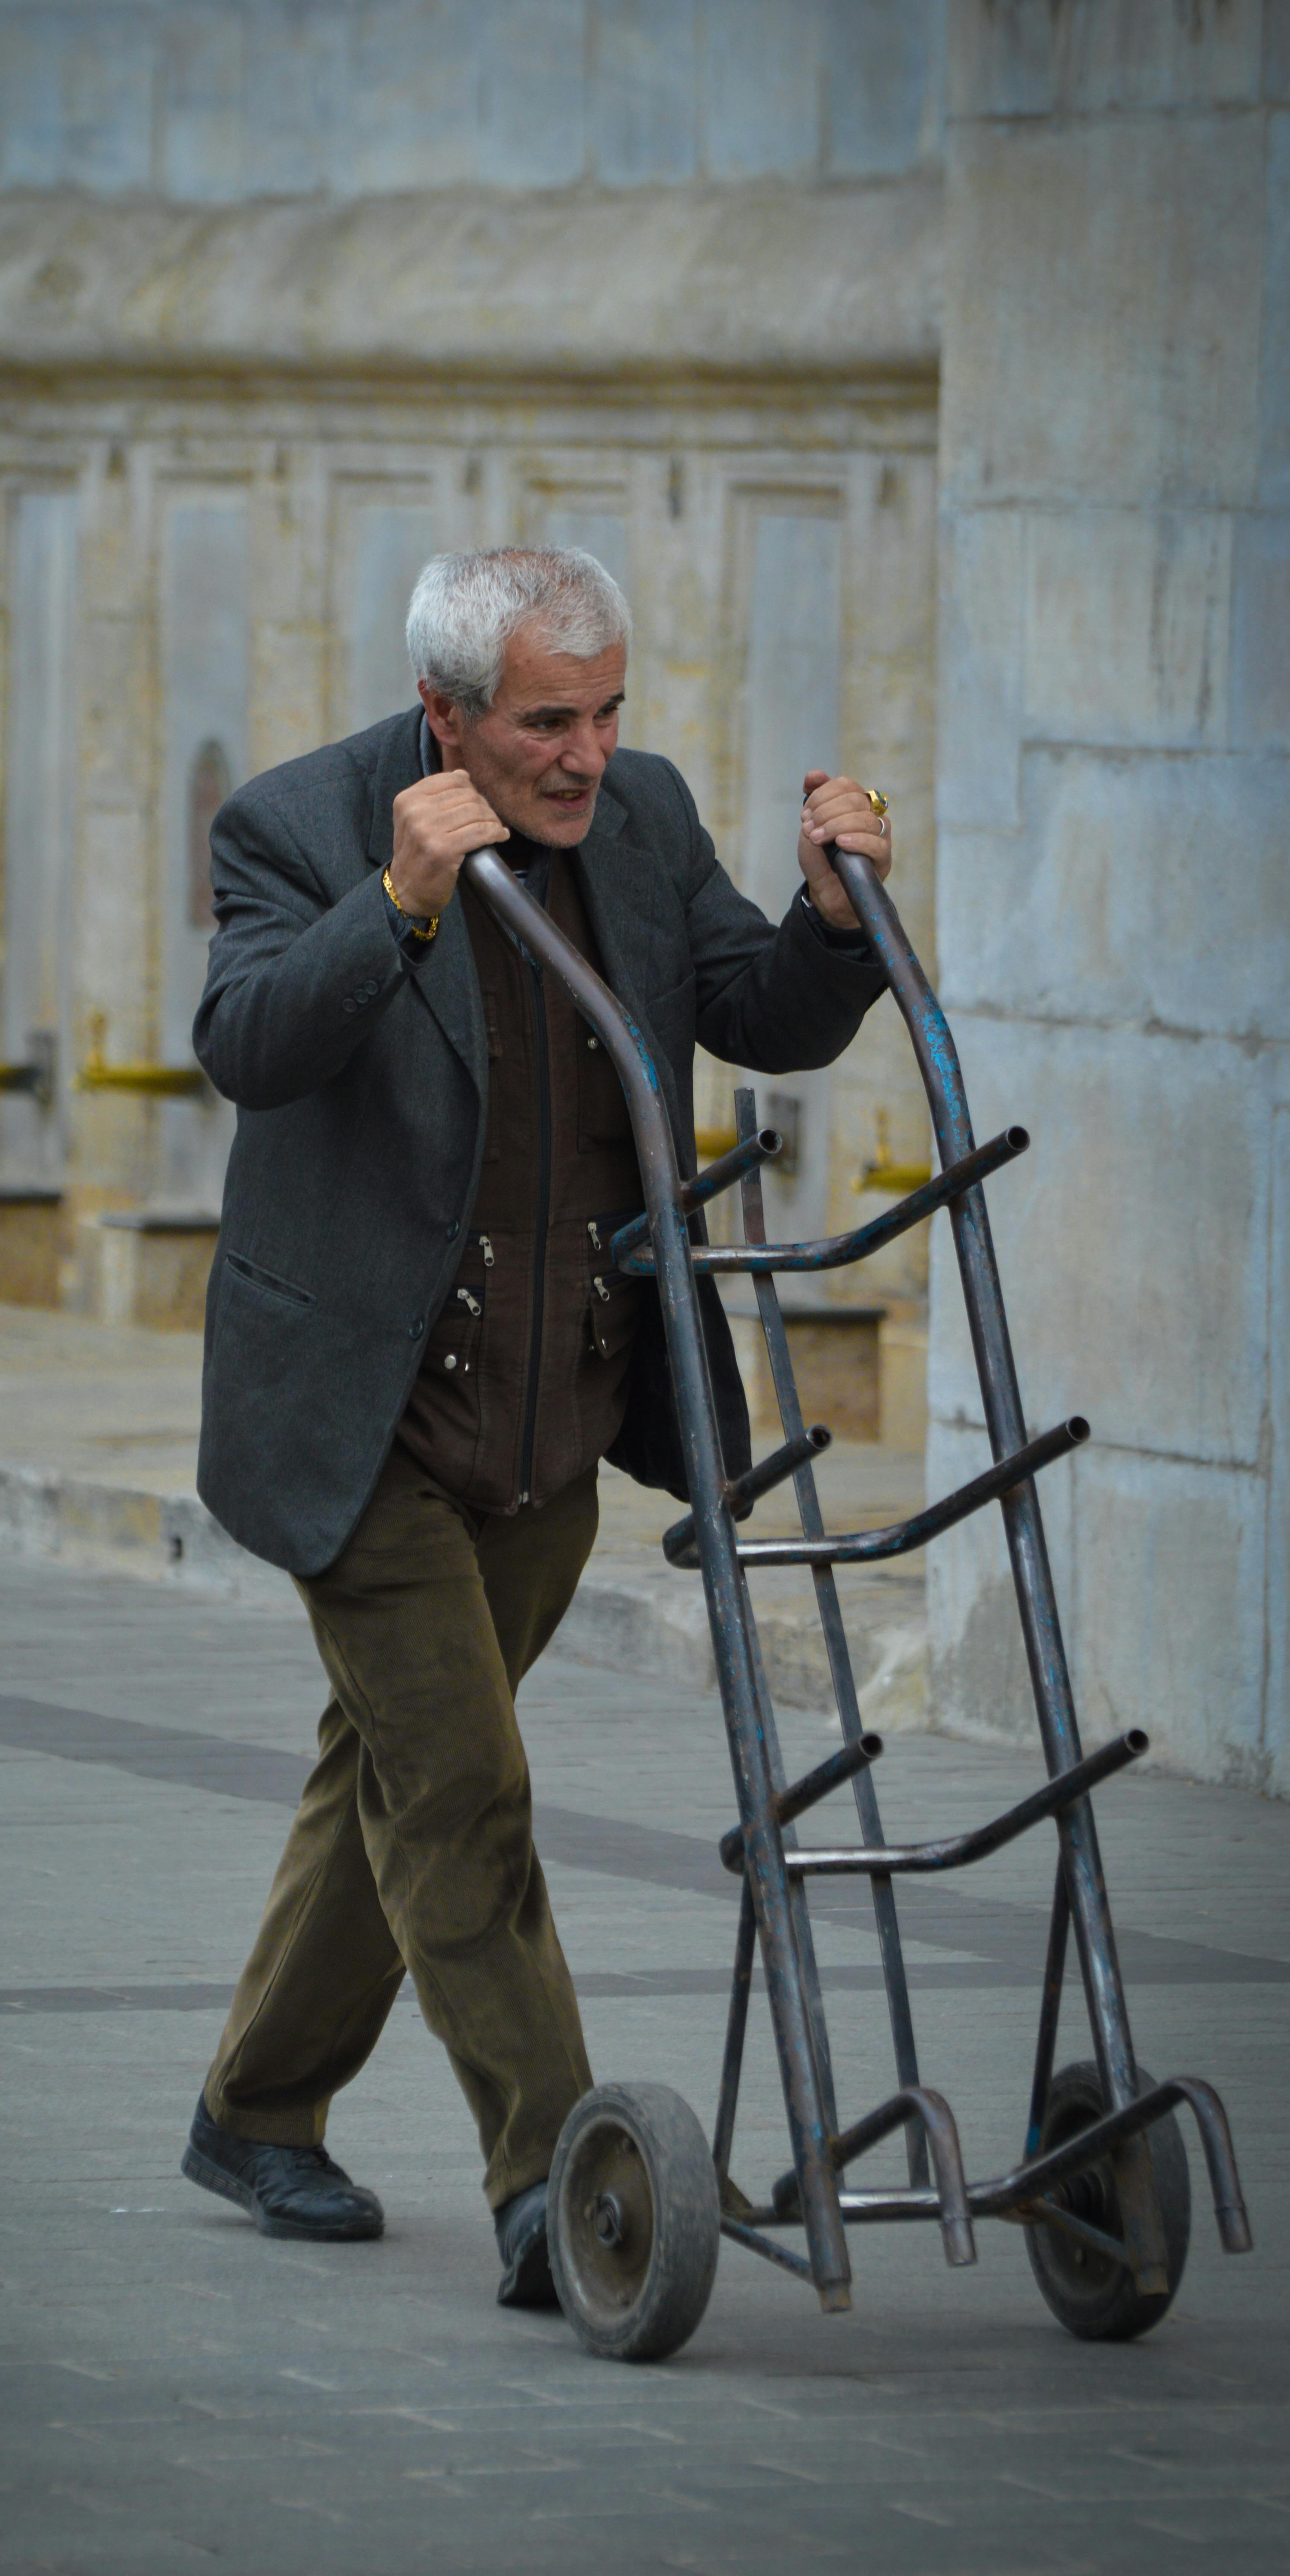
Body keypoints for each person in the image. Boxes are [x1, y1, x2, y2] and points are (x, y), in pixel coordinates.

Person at [180, 547, 892, 2306]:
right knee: (467, 1792)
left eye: (605, 713)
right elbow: (246, 1040)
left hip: (557, 1420)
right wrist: (399, 905)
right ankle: (559, 2178)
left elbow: (755, 1010)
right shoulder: (299, 825)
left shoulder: (638, 822)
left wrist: (825, 916)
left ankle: (255, 2103)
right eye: (542, 723)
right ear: (444, 720)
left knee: (397, 1775)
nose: (585, 755)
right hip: (367, 1427)